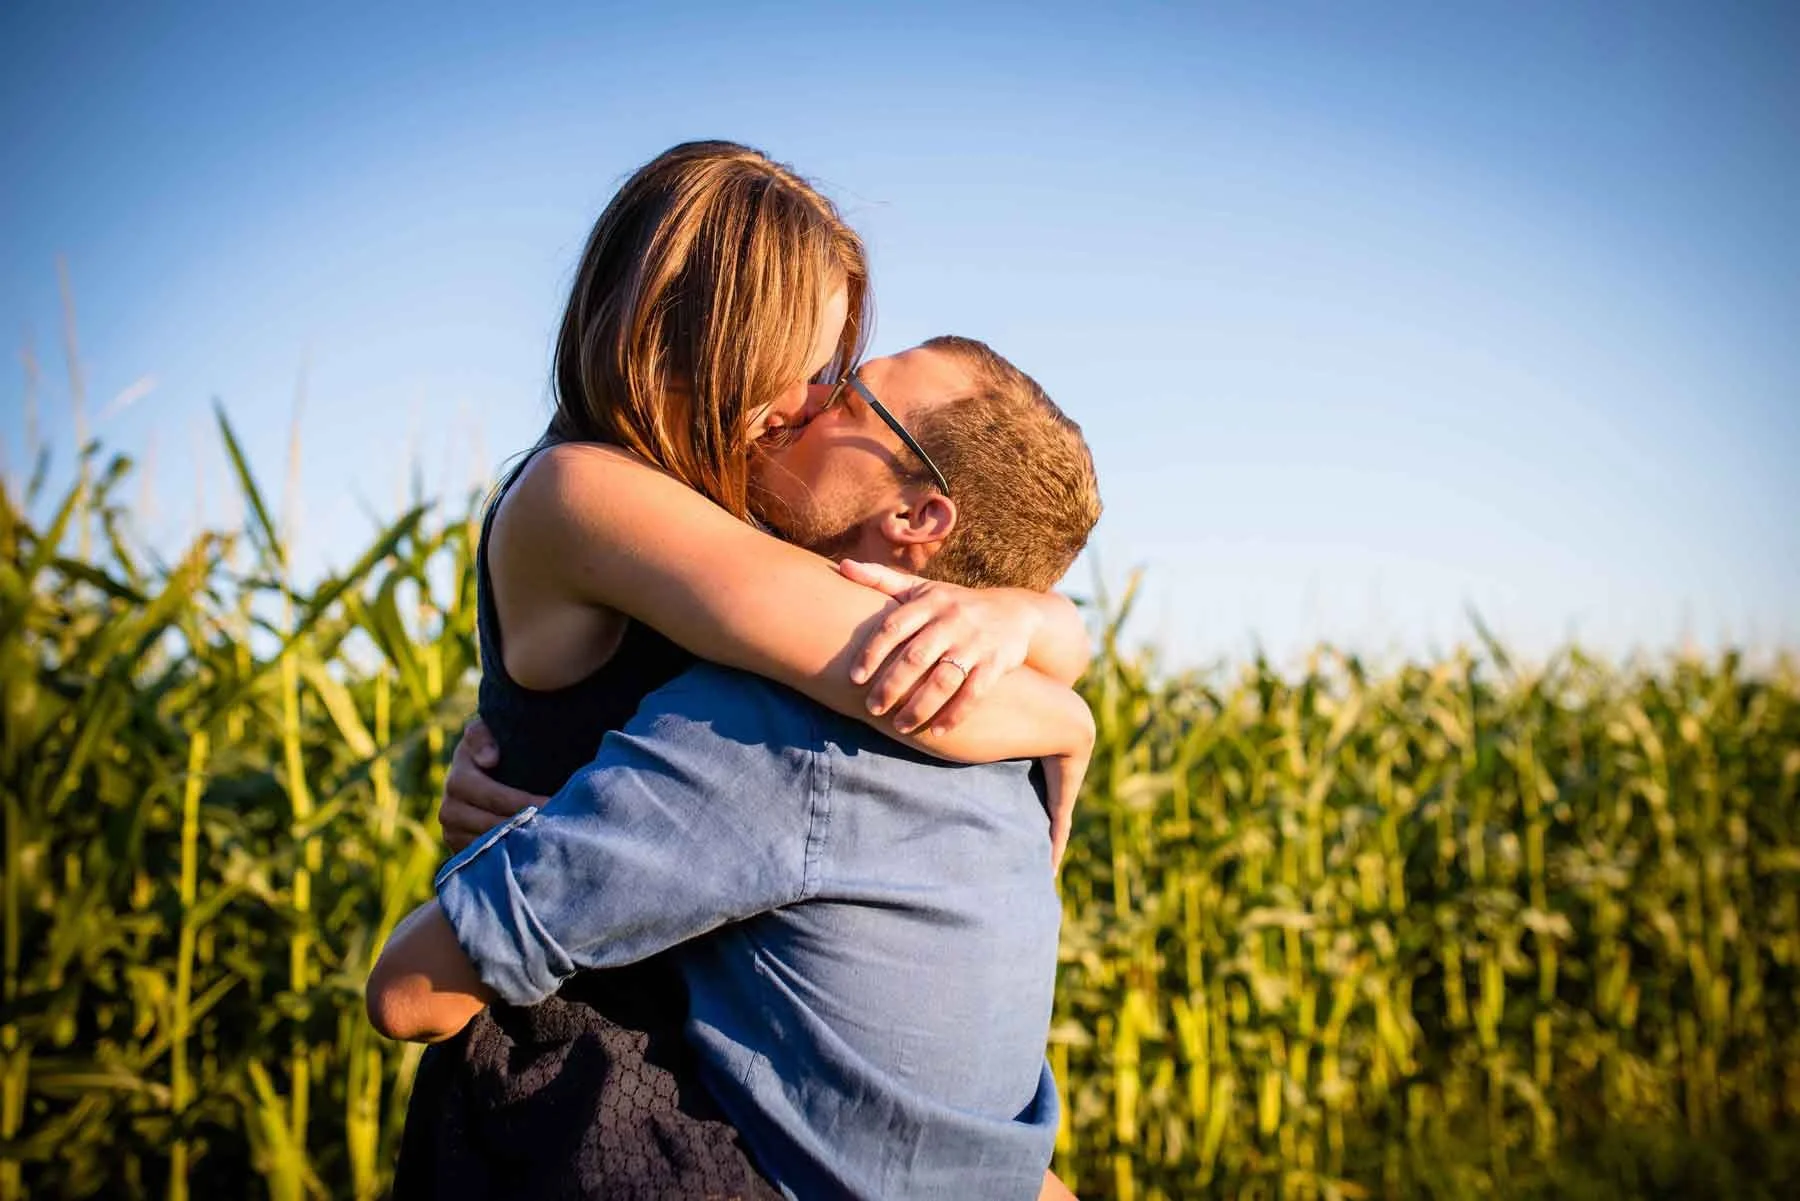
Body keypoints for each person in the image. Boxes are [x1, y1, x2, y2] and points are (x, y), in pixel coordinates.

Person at [388, 141, 1096, 1200]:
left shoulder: (715, 516)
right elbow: (897, 682)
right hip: (577, 1080)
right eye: (811, 365)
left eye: (838, 379)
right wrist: (1066, 717)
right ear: (711, 339)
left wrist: (1029, 612)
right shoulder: (586, 491)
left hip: (696, 1038)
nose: (812, 401)